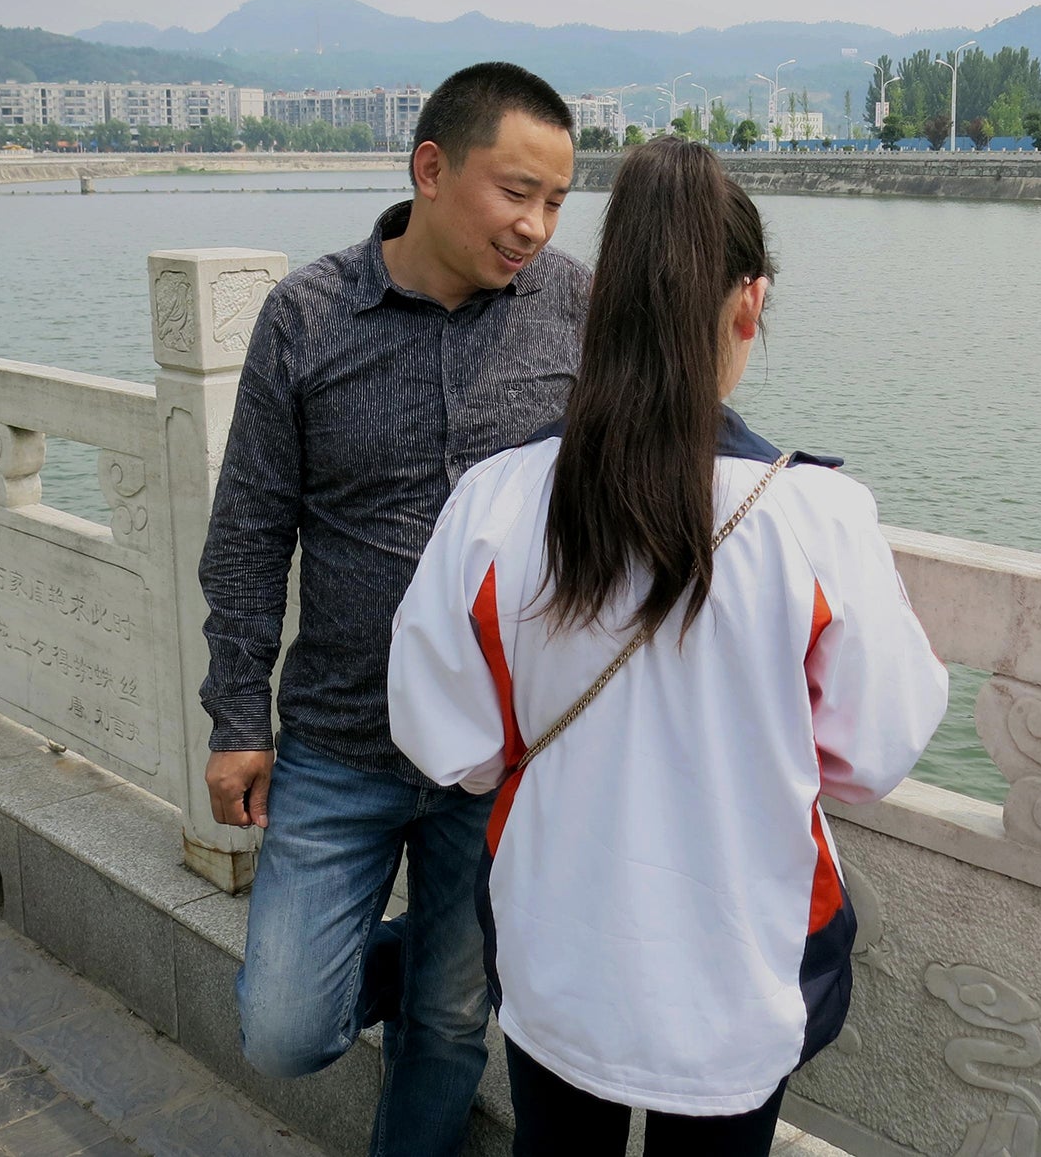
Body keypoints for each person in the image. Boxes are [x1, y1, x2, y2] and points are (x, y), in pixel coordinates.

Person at [387, 137, 948, 1155]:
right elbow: (873, 755)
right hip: (740, 971)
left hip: (555, 953)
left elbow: (450, 743)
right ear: (750, 303)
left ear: (604, 303)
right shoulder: (816, 517)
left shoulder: (497, 501)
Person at [197, 61, 588, 1157]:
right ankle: (440, 950)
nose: (535, 227)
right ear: (428, 166)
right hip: (340, 743)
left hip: (500, 752)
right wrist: (237, 719)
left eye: (556, 201)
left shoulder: (575, 308)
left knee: (452, 1024)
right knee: (284, 1026)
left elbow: (652, 455)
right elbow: (247, 534)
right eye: (516, 191)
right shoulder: (306, 319)